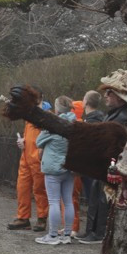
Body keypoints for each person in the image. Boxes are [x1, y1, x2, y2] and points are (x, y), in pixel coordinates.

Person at [75, 70, 127, 244]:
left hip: (111, 164)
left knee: (103, 198)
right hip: (104, 163)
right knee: (95, 196)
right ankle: (92, 230)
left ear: (119, 95)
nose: (105, 96)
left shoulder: (124, 115)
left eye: (110, 92)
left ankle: (99, 232)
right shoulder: (113, 114)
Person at [35, 96, 78, 244]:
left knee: (53, 201)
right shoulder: (75, 124)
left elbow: (38, 141)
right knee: (68, 202)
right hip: (69, 167)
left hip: (53, 168)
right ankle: (66, 234)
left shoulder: (53, 125)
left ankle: (52, 235)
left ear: (57, 108)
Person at [8, 89, 49, 232]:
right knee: (22, 187)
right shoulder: (29, 116)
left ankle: (42, 218)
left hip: (37, 157)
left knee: (40, 189)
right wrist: (23, 141)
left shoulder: (46, 116)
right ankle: (23, 217)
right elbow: (29, 135)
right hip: (26, 156)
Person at [74, 90, 105, 243]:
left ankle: (94, 231)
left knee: (93, 198)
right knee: (92, 198)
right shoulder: (99, 119)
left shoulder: (91, 122)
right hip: (93, 165)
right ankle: (90, 230)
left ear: (86, 102)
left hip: (91, 166)